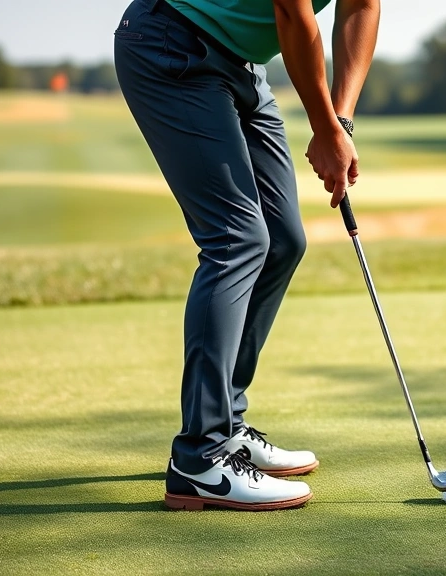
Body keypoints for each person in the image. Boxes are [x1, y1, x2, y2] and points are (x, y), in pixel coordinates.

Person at [114, 0, 380, 511]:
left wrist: (340, 122)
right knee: (236, 239)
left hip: (240, 65)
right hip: (171, 44)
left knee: (283, 240)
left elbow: (361, 6)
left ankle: (227, 426)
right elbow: (291, 12)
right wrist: (322, 127)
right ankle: (201, 457)